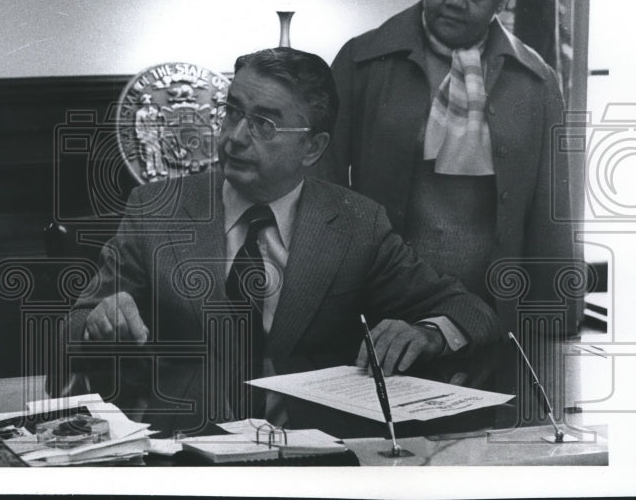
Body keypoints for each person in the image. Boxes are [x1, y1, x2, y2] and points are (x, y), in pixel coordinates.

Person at [67, 48, 501, 435]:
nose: (235, 137)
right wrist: (98, 322)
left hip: (313, 453)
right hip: (185, 448)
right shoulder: (156, 209)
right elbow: (72, 325)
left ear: (312, 148)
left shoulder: (357, 225)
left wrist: (427, 334)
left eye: (264, 124)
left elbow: (468, 310)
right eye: (232, 112)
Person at [319, 0, 578, 328]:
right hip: (379, 308)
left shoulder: (536, 82)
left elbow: (551, 216)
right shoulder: (361, 61)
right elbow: (322, 192)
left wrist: (557, 323)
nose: (455, 0)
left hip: (491, 321)